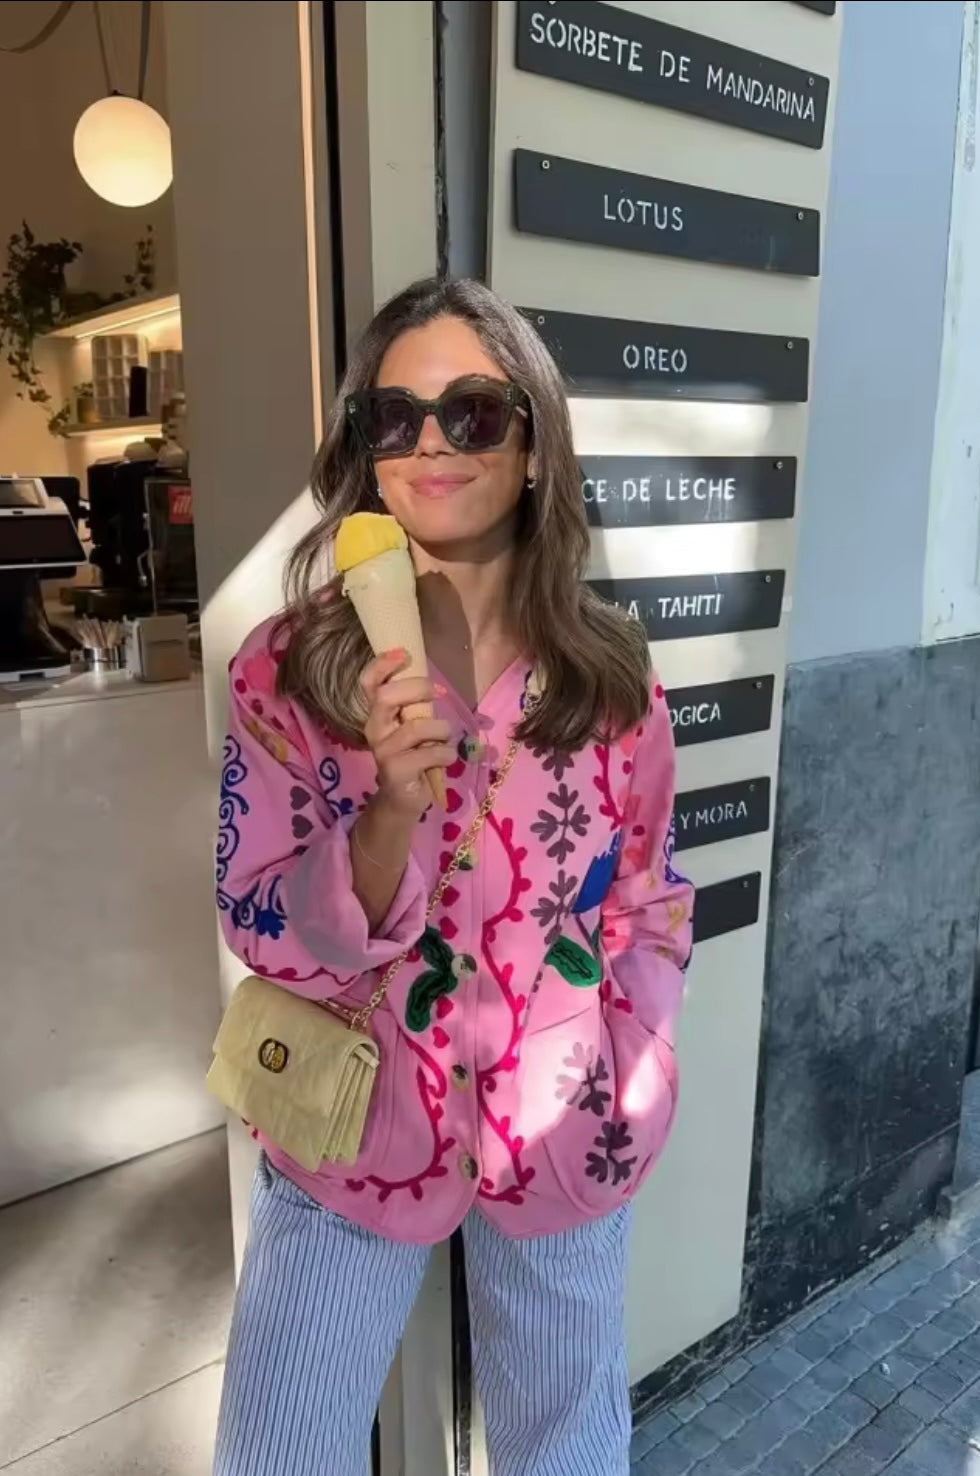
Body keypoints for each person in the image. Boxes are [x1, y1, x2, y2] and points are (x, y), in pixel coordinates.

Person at [213, 277, 694, 1475]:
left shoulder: (610, 681)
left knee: (569, 1452)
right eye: (394, 418)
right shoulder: (290, 672)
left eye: (472, 412)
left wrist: (634, 1062)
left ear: (533, 446)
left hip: (562, 1120)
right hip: (350, 1124)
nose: (431, 443)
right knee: (278, 1456)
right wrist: (388, 809)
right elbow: (255, 913)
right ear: (364, 454)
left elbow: (648, 894)